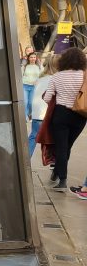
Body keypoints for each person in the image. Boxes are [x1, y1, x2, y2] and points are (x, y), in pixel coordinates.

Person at [43, 46, 86, 191]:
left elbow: (47, 98)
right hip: (80, 116)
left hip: (61, 114)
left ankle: (62, 179)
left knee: (61, 147)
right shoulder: (84, 75)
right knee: (68, 146)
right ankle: (58, 173)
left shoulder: (57, 76)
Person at [28, 53, 53, 157]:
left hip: (37, 113)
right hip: (48, 113)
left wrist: (30, 111)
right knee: (54, 139)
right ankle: (53, 162)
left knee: (33, 136)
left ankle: (25, 160)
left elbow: (32, 98)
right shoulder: (54, 79)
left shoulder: (39, 79)